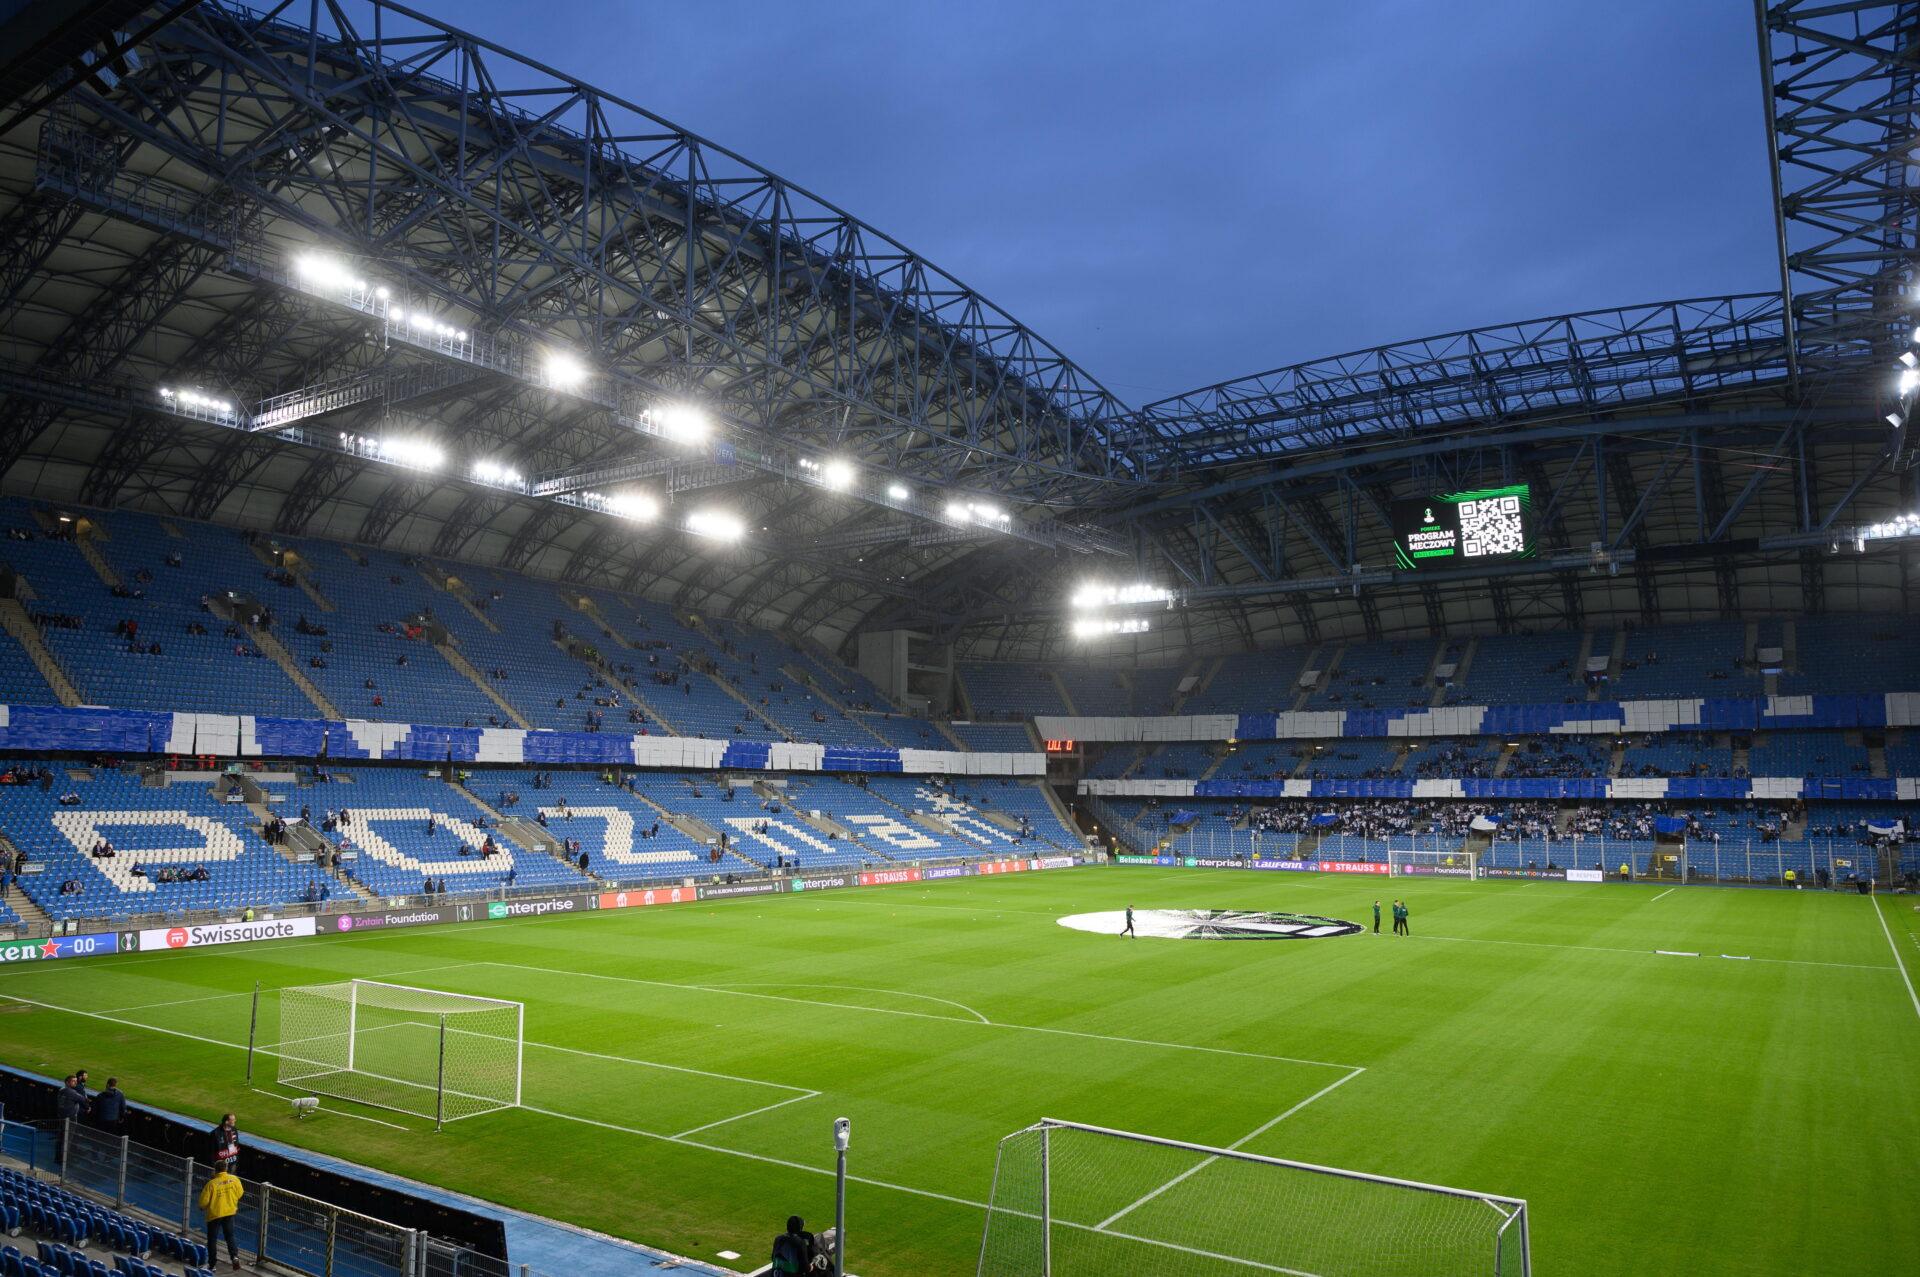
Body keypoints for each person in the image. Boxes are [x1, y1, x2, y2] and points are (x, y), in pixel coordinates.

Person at [198, 1159, 245, 1271]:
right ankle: (234, 1257)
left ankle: (212, 1265)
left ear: (215, 1170)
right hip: (229, 1213)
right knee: (230, 1236)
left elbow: (202, 1203)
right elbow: (240, 1193)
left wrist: (203, 1208)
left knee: (212, 1240)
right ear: (226, 1168)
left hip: (214, 1215)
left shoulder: (211, 1184)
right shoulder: (234, 1180)